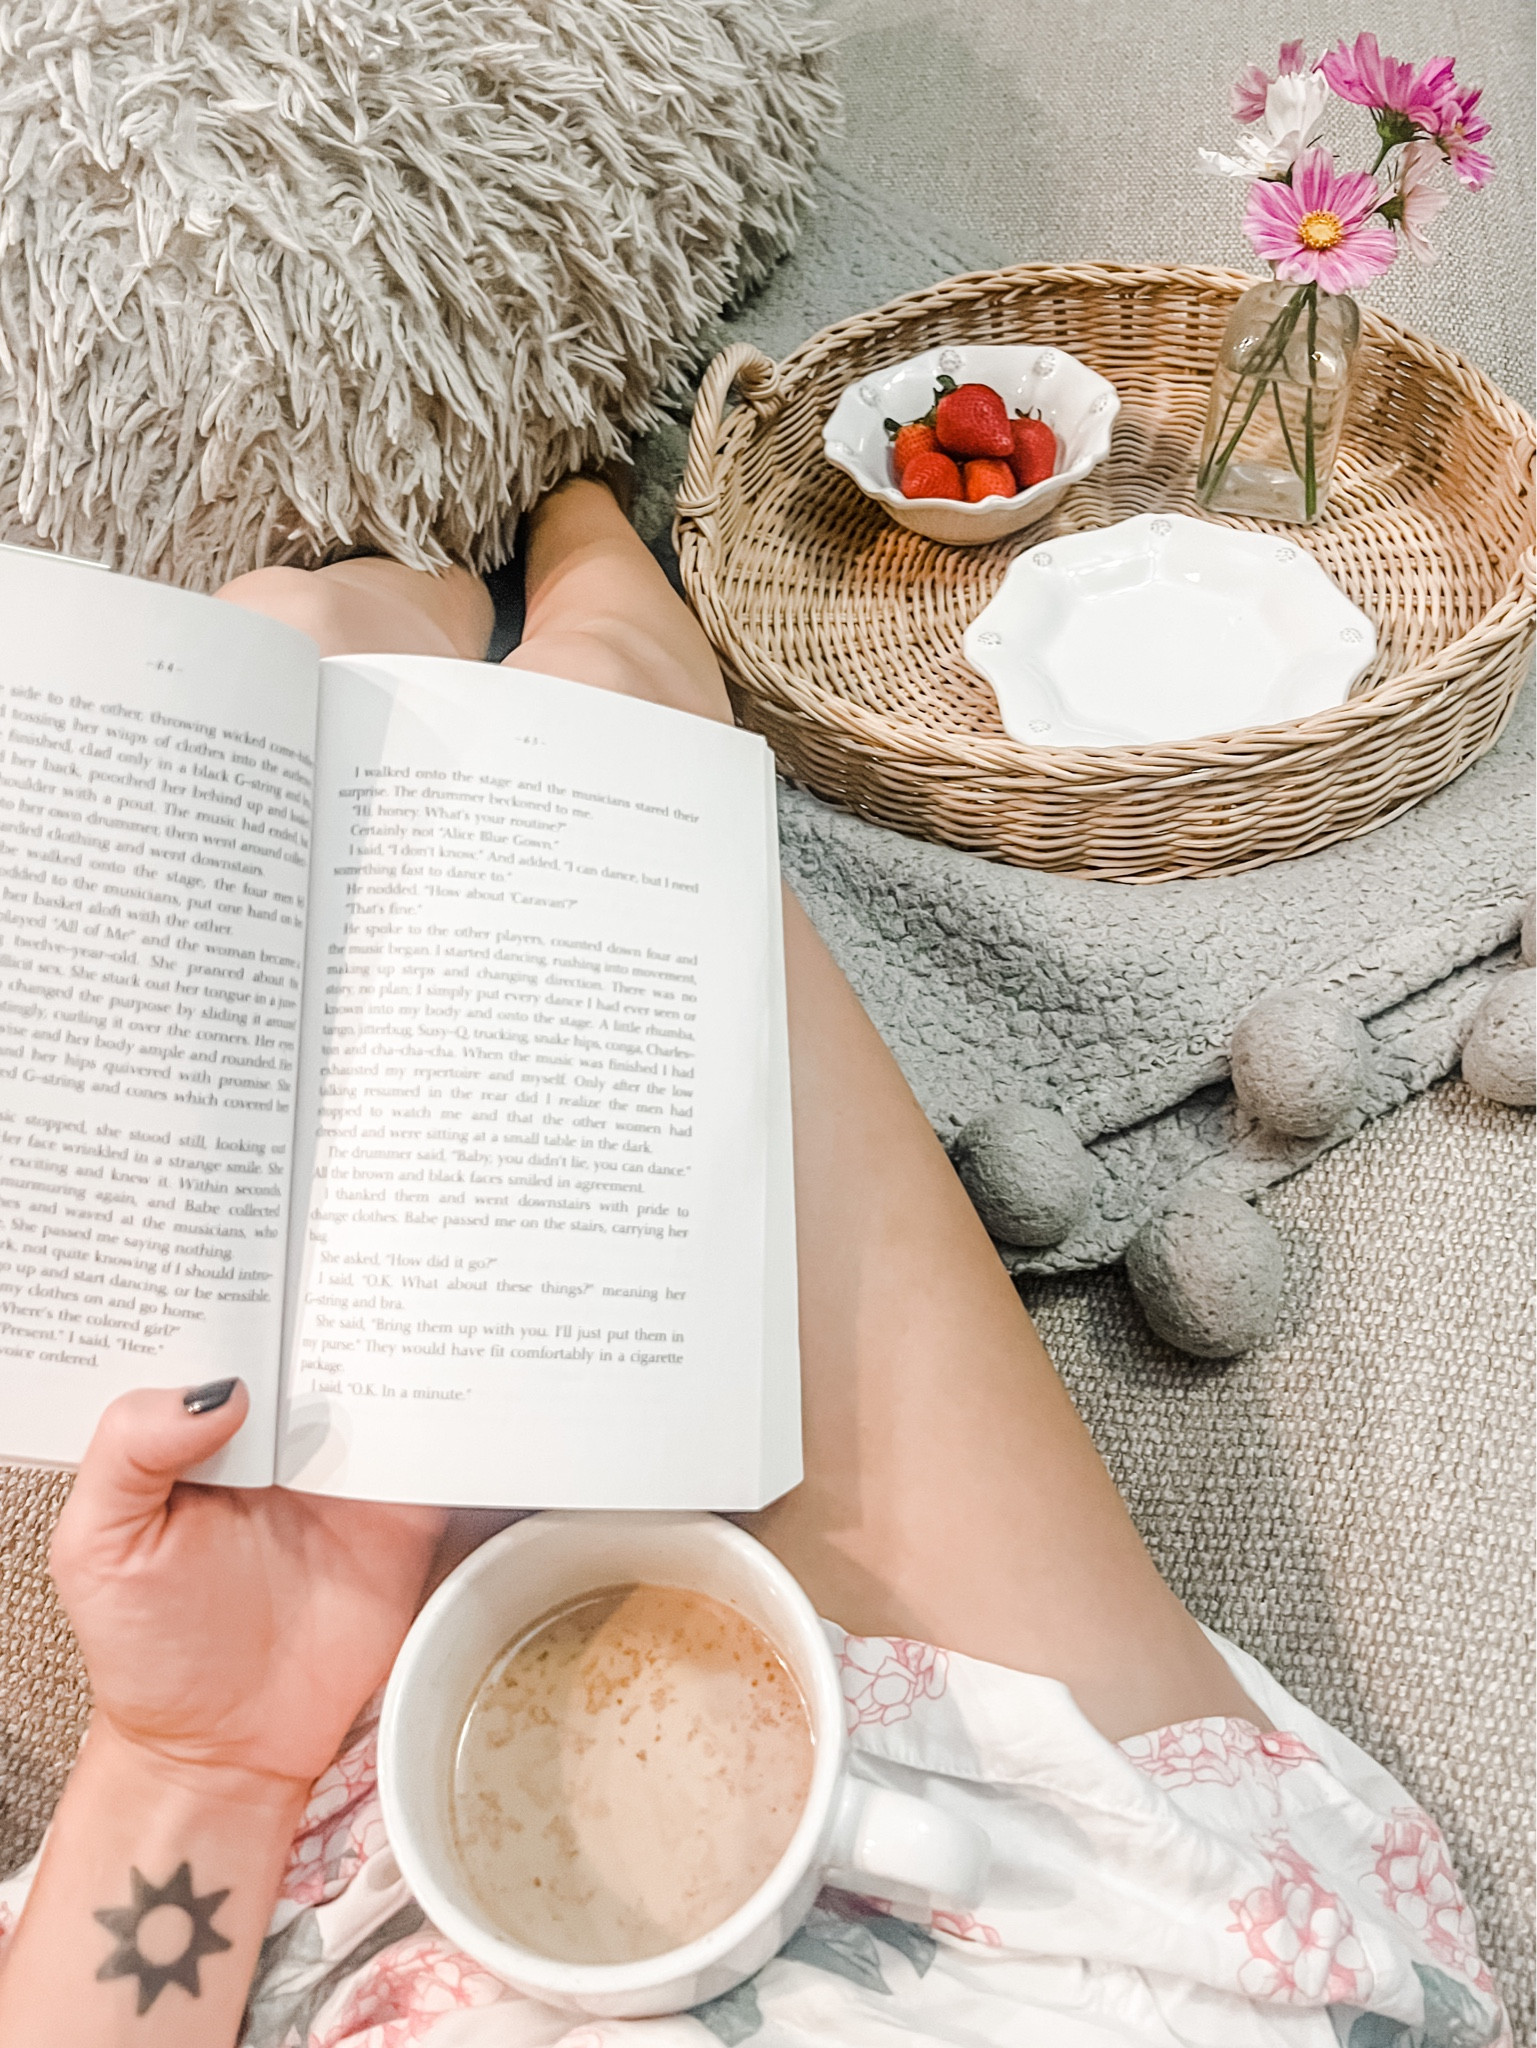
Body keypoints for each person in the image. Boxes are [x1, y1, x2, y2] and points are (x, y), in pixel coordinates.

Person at [0, 482, 1507, 2047]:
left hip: (253, 1914)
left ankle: (460, 530)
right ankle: (575, 509)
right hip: (1058, 1910)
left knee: (274, 652)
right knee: (600, 724)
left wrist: (196, 1761)